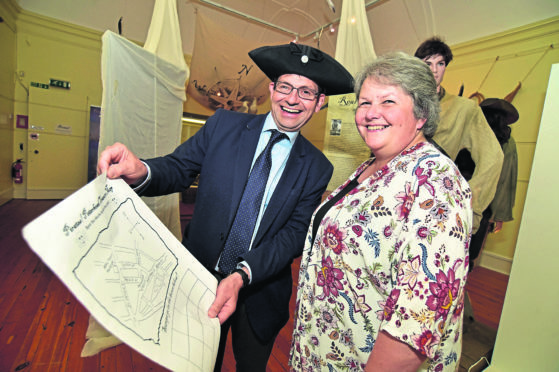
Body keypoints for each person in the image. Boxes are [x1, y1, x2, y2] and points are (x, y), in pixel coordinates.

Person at [97, 42, 353, 371]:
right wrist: (141, 170)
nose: (292, 99)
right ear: (272, 89)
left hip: (260, 292)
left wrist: (241, 274)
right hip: (199, 280)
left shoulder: (317, 167)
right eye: (286, 86)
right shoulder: (224, 126)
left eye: (306, 92)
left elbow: (293, 236)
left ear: (319, 103)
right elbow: (177, 168)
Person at [289, 52, 473, 371]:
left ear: (421, 113)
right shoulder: (370, 166)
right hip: (327, 353)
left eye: (387, 101)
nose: (371, 113)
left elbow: (416, 322)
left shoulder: (436, 181)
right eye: (364, 102)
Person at [414, 37, 503, 233]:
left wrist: (470, 202)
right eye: (427, 63)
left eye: (440, 63)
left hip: (433, 201)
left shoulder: (464, 109)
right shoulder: (399, 101)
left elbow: (493, 157)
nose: (434, 70)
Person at [455, 98, 519, 269]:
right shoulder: (506, 142)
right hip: (481, 204)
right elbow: (505, 180)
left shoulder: (464, 130)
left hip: (454, 197)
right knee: (466, 255)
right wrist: (499, 215)